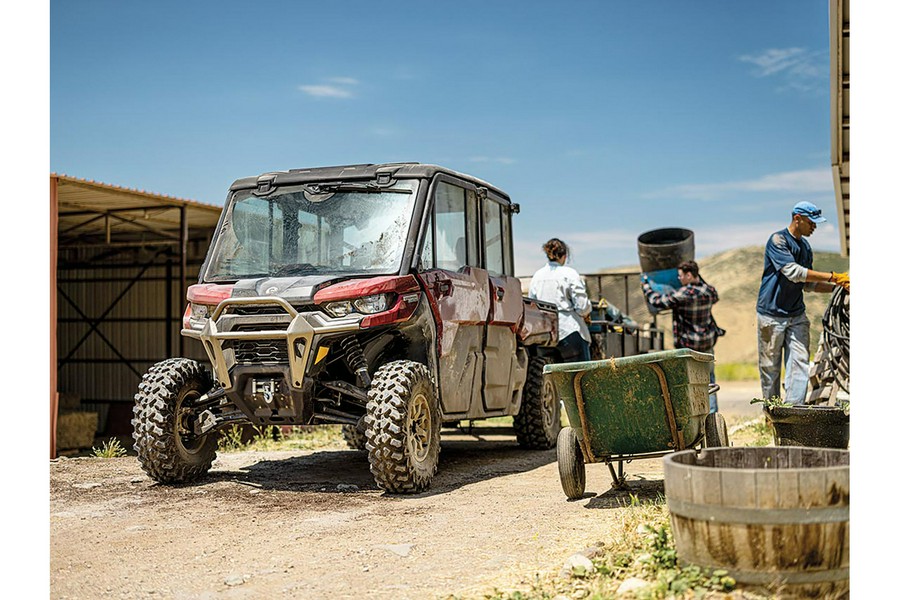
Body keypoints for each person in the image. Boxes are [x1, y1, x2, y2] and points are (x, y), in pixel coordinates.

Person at [756, 201, 850, 405]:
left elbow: (808, 285)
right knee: (770, 368)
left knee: (799, 364)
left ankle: (793, 411)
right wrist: (834, 277)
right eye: (811, 222)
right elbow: (794, 273)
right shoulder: (778, 240)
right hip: (771, 315)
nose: (814, 227)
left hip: (796, 315)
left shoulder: (805, 247)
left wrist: (839, 288)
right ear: (797, 219)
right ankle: (772, 411)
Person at [641, 260, 723, 412]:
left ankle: (694, 415)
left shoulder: (684, 294)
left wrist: (646, 285)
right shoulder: (710, 291)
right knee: (709, 381)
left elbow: (657, 301)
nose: (679, 279)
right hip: (706, 344)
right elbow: (715, 295)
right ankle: (712, 416)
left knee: (688, 382)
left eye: (681, 276)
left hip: (688, 347)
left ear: (689, 275)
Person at [529, 238, 592, 362]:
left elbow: (532, 305)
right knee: (581, 377)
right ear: (564, 256)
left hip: (545, 334)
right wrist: (586, 313)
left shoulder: (537, 276)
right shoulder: (570, 274)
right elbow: (582, 305)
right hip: (569, 331)